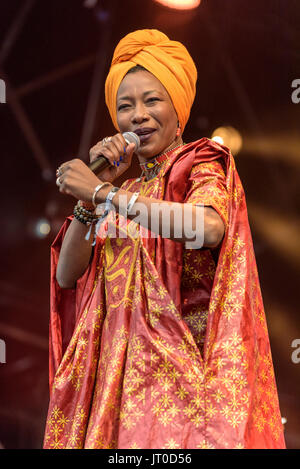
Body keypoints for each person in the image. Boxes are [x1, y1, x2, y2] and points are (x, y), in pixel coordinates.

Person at [43, 29, 285, 449]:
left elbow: (207, 227)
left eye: (152, 100)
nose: (138, 115)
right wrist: (95, 192)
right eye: (125, 106)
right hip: (116, 389)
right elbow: (67, 275)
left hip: (181, 385)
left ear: (178, 108)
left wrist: (104, 194)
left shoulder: (200, 158)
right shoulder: (124, 192)